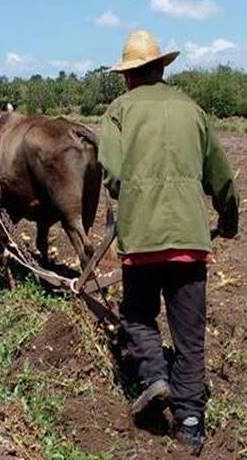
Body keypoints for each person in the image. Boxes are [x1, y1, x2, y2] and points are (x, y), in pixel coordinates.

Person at [98, 30, 239, 451]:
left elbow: (113, 173)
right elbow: (222, 177)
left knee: (138, 316)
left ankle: (156, 377)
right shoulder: (193, 110)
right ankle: (191, 421)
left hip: (141, 240)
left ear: (128, 77)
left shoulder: (118, 111)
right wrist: (228, 221)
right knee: (189, 335)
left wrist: (136, 198)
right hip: (191, 242)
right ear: (162, 69)